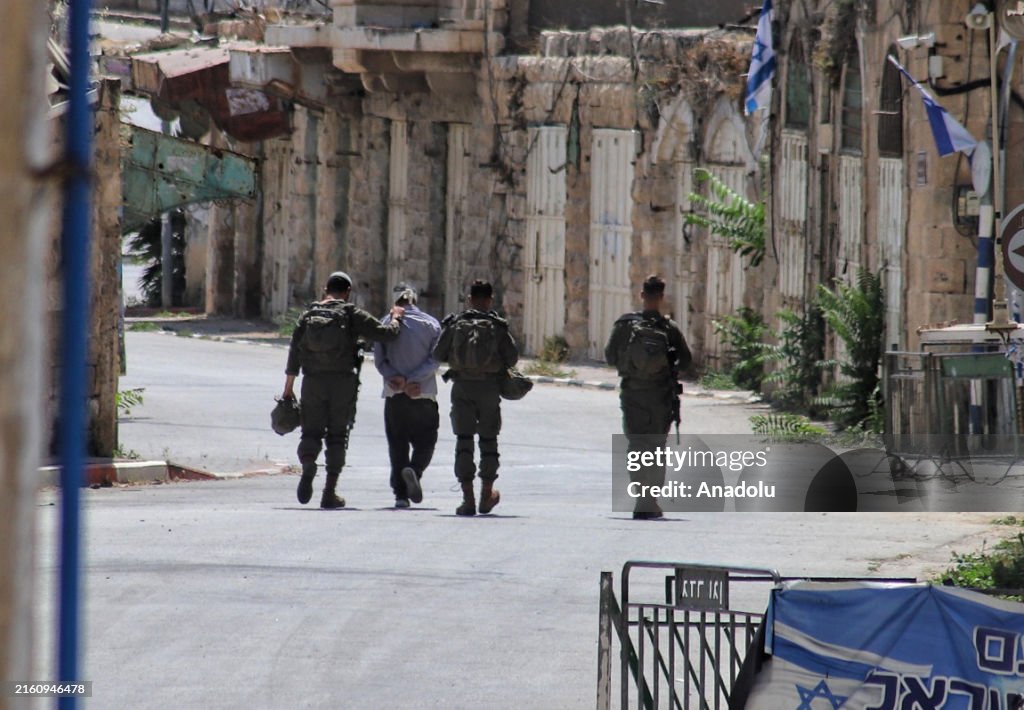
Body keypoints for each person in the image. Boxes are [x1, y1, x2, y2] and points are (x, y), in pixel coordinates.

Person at [282, 271, 404, 509]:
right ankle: (329, 492)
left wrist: (288, 389)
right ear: (348, 292)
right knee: (338, 435)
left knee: (310, 432)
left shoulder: (308, 315)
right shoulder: (350, 313)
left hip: (312, 383)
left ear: (325, 290)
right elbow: (386, 334)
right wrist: (396, 317)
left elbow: (293, 354)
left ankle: (308, 466)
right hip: (342, 384)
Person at [605, 274, 691, 520]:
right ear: (661, 297)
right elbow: (686, 361)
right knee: (656, 447)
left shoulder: (625, 325)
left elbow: (610, 356)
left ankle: (640, 497)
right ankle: (649, 501)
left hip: (632, 394)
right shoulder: (668, 328)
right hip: (661, 396)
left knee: (637, 445)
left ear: (642, 295)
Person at [434, 279, 519, 516]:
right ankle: (487, 495)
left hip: (461, 387)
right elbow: (512, 358)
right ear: (490, 299)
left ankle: (467, 499)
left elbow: (437, 353)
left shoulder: (455, 323)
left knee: (464, 441)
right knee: (489, 442)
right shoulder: (497, 325)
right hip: (489, 389)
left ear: (469, 299)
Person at [373, 284, 441, 509]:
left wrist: (398, 380)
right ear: (414, 300)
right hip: (423, 395)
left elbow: (380, 360)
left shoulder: (384, 324)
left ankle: (401, 496)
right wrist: (413, 380)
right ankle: (415, 469)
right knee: (427, 442)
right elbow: (435, 359)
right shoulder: (431, 324)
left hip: (395, 396)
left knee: (397, 444)